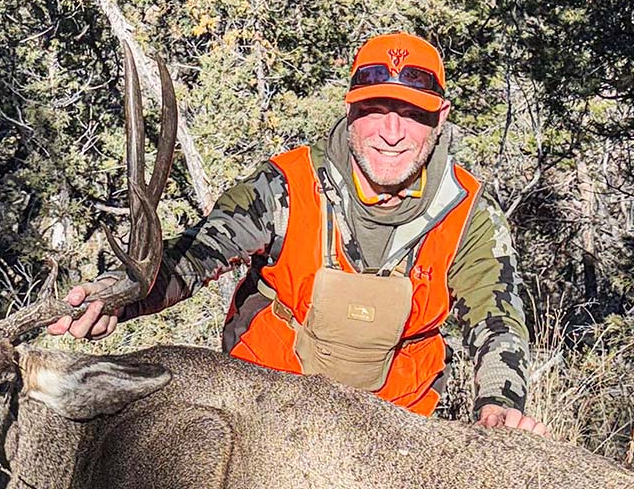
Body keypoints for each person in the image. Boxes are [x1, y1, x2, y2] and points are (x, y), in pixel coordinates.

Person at [50, 32, 546, 436]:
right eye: (374, 110)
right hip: (263, 411)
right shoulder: (286, 185)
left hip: (394, 431)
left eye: (412, 114)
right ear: (350, 111)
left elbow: (498, 321)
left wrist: (500, 403)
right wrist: (123, 296)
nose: (391, 133)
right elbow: (203, 249)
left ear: (440, 119)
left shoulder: (468, 213)